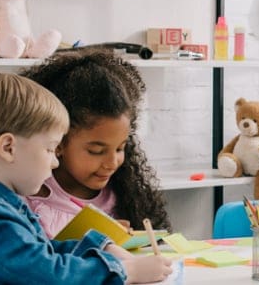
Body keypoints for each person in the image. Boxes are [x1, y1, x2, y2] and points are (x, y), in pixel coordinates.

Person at [0, 73, 171, 284]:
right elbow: (50, 275)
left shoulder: (2, 206)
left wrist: (102, 246)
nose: (55, 162)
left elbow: (44, 252)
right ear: (8, 148)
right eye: (49, 150)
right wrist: (126, 271)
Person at [17, 48, 170, 237]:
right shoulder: (29, 195)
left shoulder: (125, 195)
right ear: (58, 143)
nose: (112, 163)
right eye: (97, 151)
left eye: (121, 148)